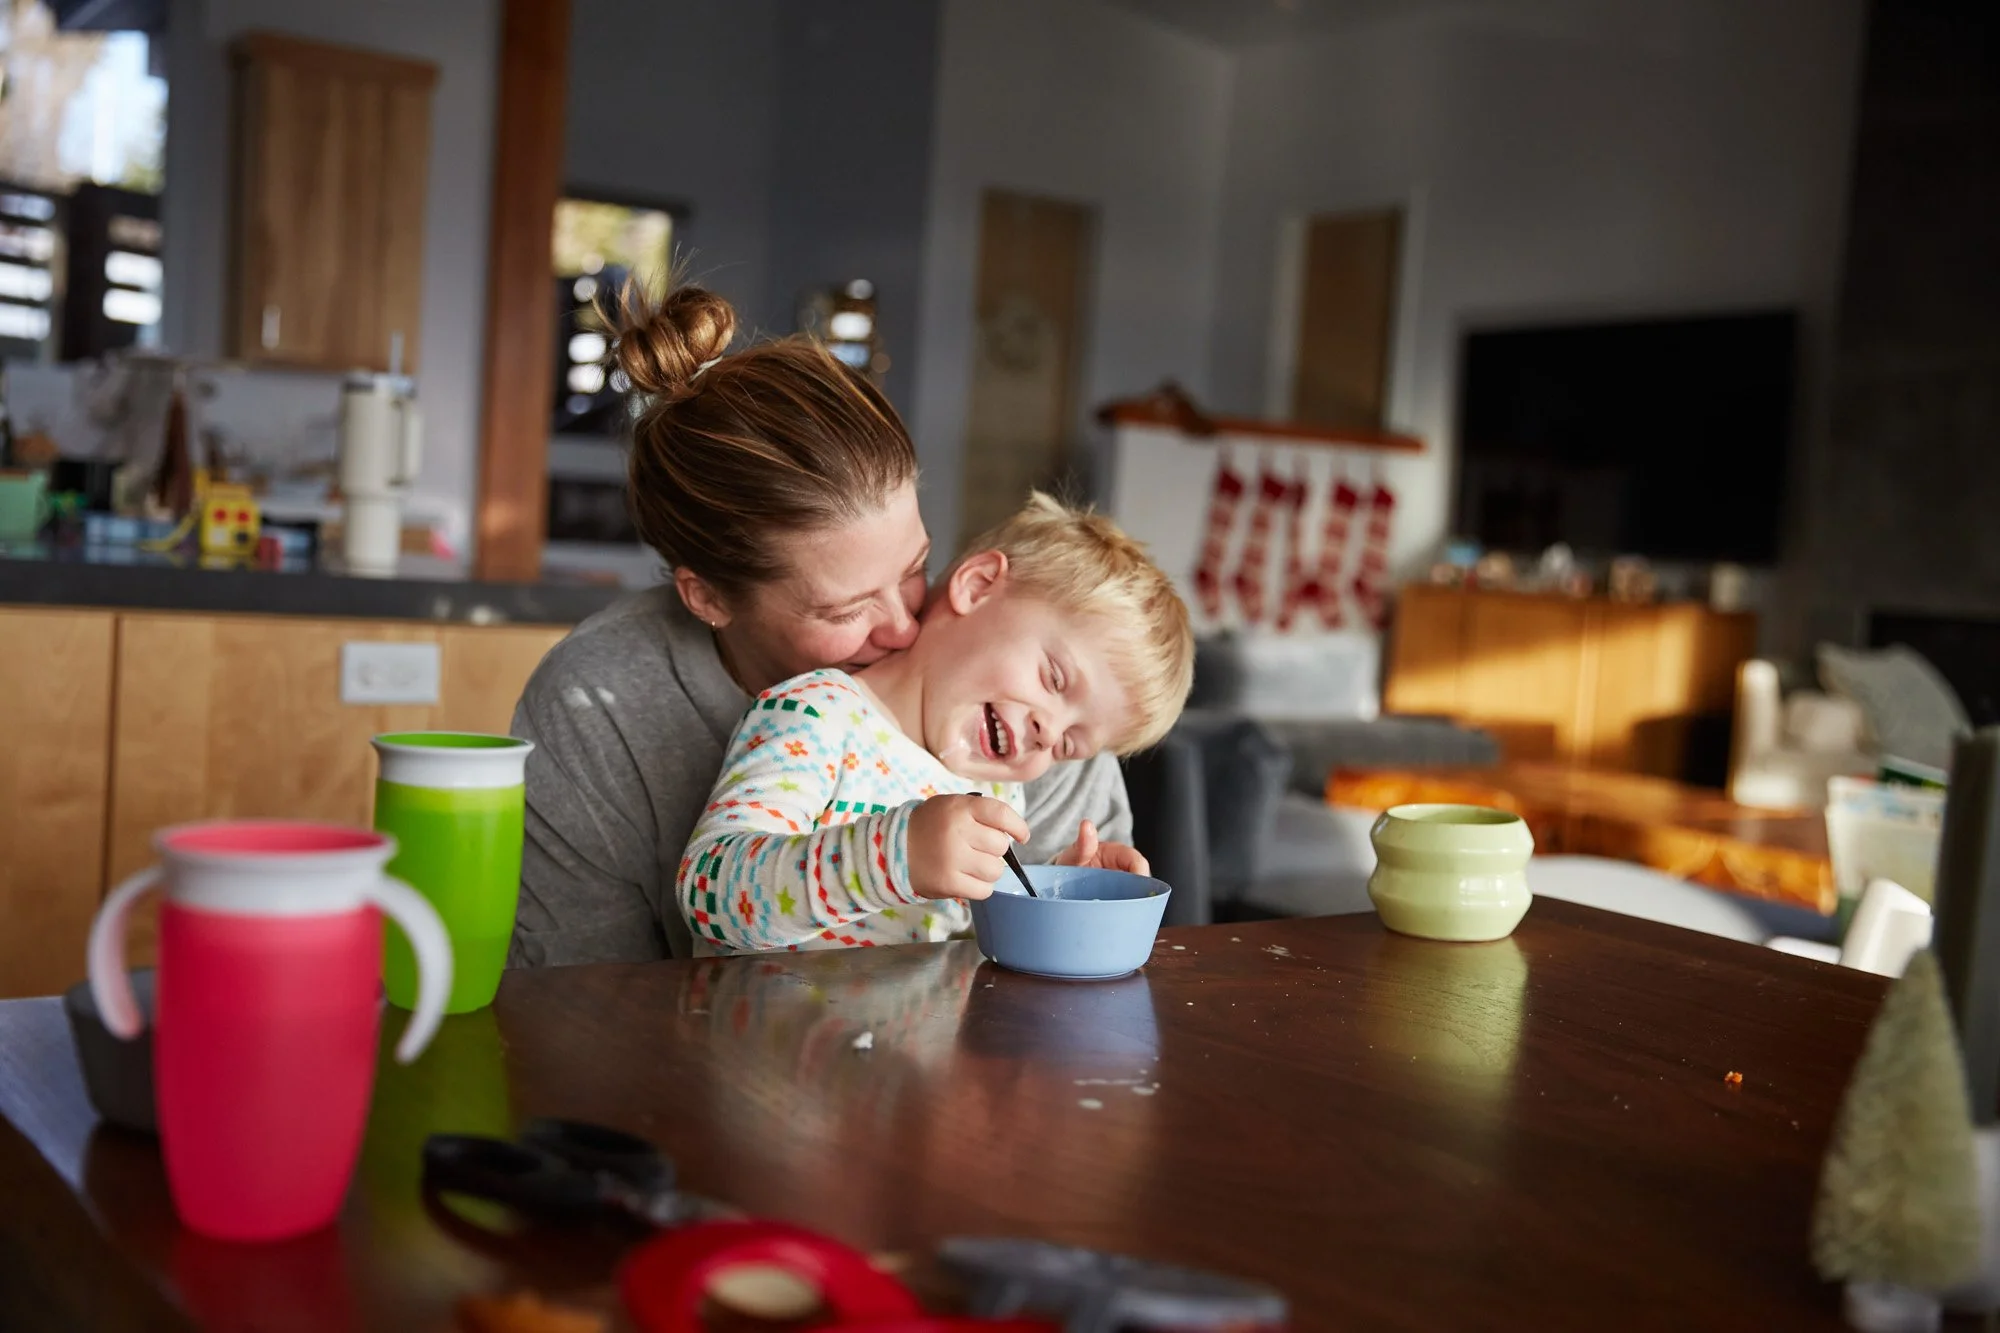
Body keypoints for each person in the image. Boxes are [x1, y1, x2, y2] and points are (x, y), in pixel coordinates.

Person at [509, 281, 1142, 966]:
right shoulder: (596, 709)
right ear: (708, 598)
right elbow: (578, 1015)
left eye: (913, 566)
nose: (904, 627)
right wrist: (890, 854)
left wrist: (1069, 892)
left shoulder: (1026, 703)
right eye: (847, 609)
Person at [682, 494, 1193, 954]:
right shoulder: (819, 716)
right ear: (977, 586)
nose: (1047, 732)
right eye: (1053, 678)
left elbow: (965, 952)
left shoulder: (993, 792)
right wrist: (892, 857)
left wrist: (1054, 894)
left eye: (1068, 745)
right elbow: (708, 893)